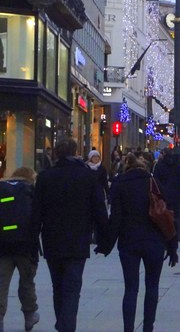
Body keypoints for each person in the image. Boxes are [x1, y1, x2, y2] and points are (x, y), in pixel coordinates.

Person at [32, 137, 110, 332]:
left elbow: (36, 212)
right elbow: (100, 210)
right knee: (72, 288)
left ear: (56, 154)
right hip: (78, 240)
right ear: (76, 153)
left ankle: (62, 323)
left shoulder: (45, 177)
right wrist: (105, 240)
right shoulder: (87, 177)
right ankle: (67, 326)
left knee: (57, 286)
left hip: (52, 240)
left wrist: (33, 240)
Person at [98, 154, 178, 332]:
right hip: (154, 242)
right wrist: (173, 247)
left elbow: (116, 219)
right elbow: (167, 216)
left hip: (129, 242)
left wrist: (106, 244)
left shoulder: (119, 185)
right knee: (152, 286)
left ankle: (128, 329)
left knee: (131, 288)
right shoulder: (154, 182)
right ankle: (148, 327)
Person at [0, 167, 39, 331]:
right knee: (27, 282)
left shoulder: (2, 188)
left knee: (1, 283)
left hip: (2, 245)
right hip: (25, 246)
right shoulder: (31, 190)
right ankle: (29, 315)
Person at [152, 149, 180, 239]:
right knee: (175, 217)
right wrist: (179, 189)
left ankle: (164, 236)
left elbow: (155, 181)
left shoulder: (159, 166)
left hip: (162, 196)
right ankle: (174, 238)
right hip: (175, 195)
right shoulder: (179, 166)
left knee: (163, 217)